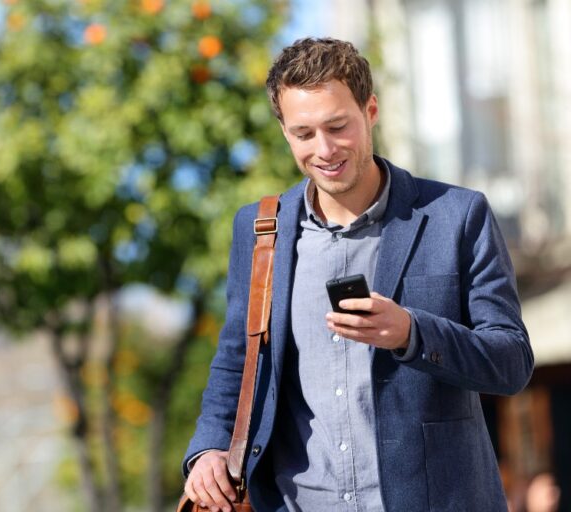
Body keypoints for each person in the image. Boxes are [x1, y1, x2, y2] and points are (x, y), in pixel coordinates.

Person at [182, 37, 533, 511]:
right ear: (284, 131)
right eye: (303, 134)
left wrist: (410, 332)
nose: (324, 149)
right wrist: (207, 450)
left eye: (337, 126)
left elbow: (511, 362)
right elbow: (236, 360)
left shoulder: (458, 215)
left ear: (370, 110)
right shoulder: (260, 229)